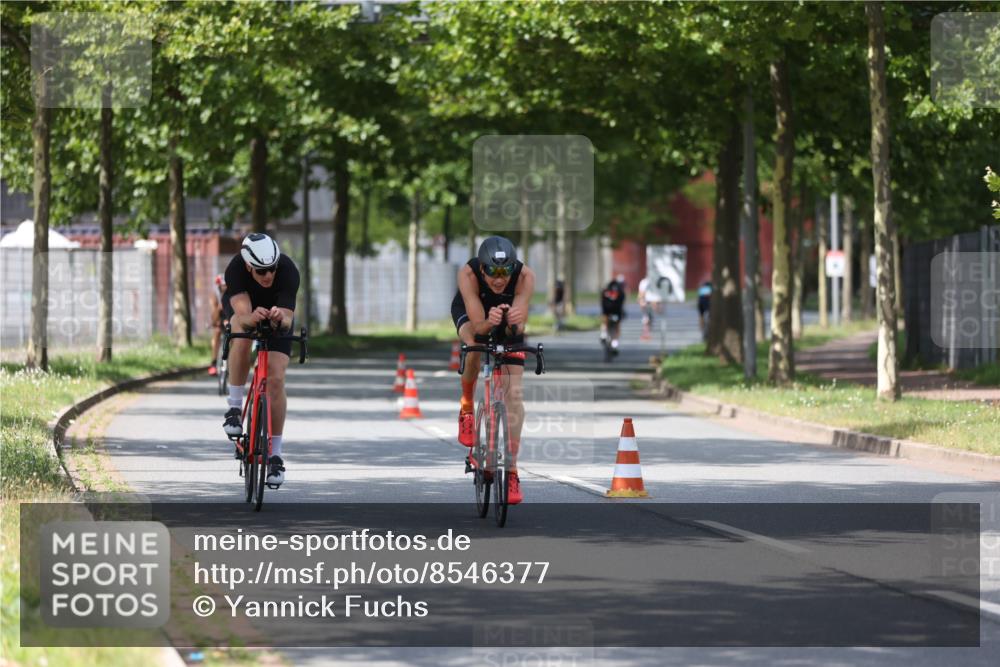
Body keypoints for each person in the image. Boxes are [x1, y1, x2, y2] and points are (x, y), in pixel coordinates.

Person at [451, 236, 535, 505]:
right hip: (474, 313)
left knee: (514, 398)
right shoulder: (468, 274)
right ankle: (466, 405)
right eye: (493, 272)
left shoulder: (524, 277)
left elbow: (517, 330)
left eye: (505, 271)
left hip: (505, 317)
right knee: (474, 346)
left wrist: (513, 323)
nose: (499, 279)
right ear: (482, 268)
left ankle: (511, 471)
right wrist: (489, 322)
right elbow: (478, 327)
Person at [222, 233, 300, 488]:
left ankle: (275, 455)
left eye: (271, 269)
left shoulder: (287, 270)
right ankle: (234, 408)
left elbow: (288, 320)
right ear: (248, 266)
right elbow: (243, 317)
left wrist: (280, 317)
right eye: (261, 271)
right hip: (246, 311)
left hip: (277, 315)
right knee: (241, 335)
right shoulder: (235, 269)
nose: (268, 275)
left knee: (276, 379)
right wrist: (252, 316)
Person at [208, 274, 232, 376]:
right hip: (219, 319)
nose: (225, 288)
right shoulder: (214, 296)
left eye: (226, 285)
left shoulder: (233, 295)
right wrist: (219, 307)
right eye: (223, 285)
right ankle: (213, 363)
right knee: (217, 332)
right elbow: (213, 317)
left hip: (230, 317)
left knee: (233, 336)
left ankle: (232, 363)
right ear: (219, 286)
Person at [599, 276, 626, 355]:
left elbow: (602, 303)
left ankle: (603, 334)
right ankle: (615, 344)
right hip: (616, 312)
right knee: (617, 327)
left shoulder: (605, 291)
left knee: (604, 321)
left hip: (607, 312)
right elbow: (622, 304)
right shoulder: (621, 292)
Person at [637, 274, 664, 340]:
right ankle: (646, 333)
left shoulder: (646, 281)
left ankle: (646, 333)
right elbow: (642, 293)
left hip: (648, 301)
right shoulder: (646, 282)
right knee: (647, 318)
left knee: (648, 318)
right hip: (647, 302)